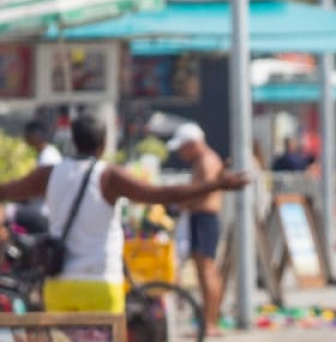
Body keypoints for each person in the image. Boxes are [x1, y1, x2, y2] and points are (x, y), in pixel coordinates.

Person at [0, 113, 247, 313]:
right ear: (103, 144)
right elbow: (161, 194)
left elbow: (6, 190)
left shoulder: (48, 174)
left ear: (72, 141)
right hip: (101, 283)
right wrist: (216, 185)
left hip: (59, 284)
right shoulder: (110, 177)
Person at [167, 123, 232, 333]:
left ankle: (211, 322)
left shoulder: (206, 161)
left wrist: (183, 203)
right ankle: (211, 318)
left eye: (182, 148)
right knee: (206, 270)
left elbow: (204, 192)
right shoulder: (205, 160)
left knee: (206, 270)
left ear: (192, 144)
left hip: (205, 217)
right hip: (202, 217)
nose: (180, 154)